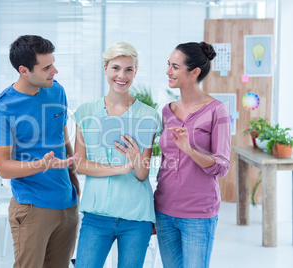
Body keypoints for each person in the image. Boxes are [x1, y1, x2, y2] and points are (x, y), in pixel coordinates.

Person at [0, 35, 79, 268]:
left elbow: (61, 136)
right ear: (24, 70)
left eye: (53, 63)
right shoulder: (1, 108)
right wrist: (41, 165)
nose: (54, 71)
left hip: (67, 203)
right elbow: (3, 167)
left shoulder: (57, 91)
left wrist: (74, 178)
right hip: (32, 208)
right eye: (46, 67)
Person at [73, 42, 161, 268]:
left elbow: (142, 174)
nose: (122, 75)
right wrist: (119, 169)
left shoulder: (147, 115)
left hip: (135, 218)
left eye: (128, 69)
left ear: (135, 72)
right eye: (116, 68)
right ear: (105, 68)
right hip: (96, 216)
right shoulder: (86, 112)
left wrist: (135, 159)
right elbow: (79, 165)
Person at [154, 42, 231, 268]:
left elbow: (222, 166)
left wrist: (190, 149)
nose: (168, 71)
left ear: (194, 72)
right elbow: (166, 162)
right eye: (168, 65)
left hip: (198, 213)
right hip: (164, 210)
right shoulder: (167, 110)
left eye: (175, 67)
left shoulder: (217, 110)